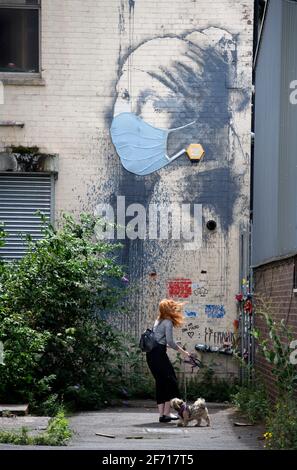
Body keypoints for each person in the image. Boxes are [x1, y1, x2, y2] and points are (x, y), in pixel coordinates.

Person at [146, 298, 190, 423]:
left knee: (161, 383)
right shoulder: (168, 322)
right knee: (170, 381)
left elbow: (161, 342)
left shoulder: (157, 321)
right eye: (172, 307)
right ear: (168, 310)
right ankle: (167, 413)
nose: (174, 309)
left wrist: (175, 345)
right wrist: (183, 352)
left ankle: (163, 415)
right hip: (159, 355)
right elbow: (169, 341)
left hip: (151, 355)